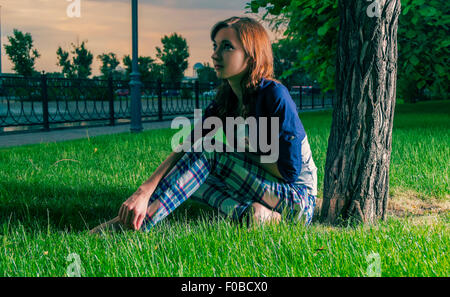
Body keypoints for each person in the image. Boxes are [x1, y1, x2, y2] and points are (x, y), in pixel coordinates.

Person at [90, 16, 317, 234]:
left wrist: (241, 148)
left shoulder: (274, 95)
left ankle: (129, 227)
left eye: (227, 47)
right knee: (190, 174)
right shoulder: (226, 100)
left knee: (211, 152)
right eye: (215, 46)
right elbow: (188, 147)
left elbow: (289, 172)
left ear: (251, 56)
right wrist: (145, 190)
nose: (215, 54)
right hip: (267, 192)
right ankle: (258, 217)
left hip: (298, 200)